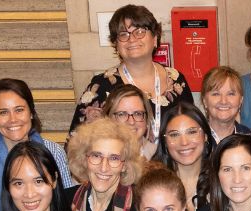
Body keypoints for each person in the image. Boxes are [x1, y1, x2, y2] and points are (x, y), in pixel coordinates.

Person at [71, 4, 193, 137]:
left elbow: (192, 128)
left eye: (140, 32)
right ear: (116, 45)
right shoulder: (101, 86)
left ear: (155, 39)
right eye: (123, 34)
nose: (132, 39)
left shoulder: (176, 80)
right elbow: (77, 141)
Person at [0, 78, 75, 211]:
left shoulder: (54, 152)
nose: (13, 119)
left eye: (19, 110)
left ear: (31, 111)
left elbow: (66, 208)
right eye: (3, 112)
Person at [154, 102, 215, 211]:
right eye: (174, 135)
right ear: (165, 142)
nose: (184, 142)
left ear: (206, 136)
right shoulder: (152, 184)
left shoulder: (222, 181)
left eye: (192, 132)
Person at [200, 66, 251, 145]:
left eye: (231, 94)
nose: (223, 101)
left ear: (240, 101)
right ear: (204, 101)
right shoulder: (193, 141)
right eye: (216, 94)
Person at [103, 84, 159, 159]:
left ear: (146, 118)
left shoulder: (159, 156)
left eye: (137, 113)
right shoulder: (95, 156)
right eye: (122, 114)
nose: (131, 122)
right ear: (108, 119)